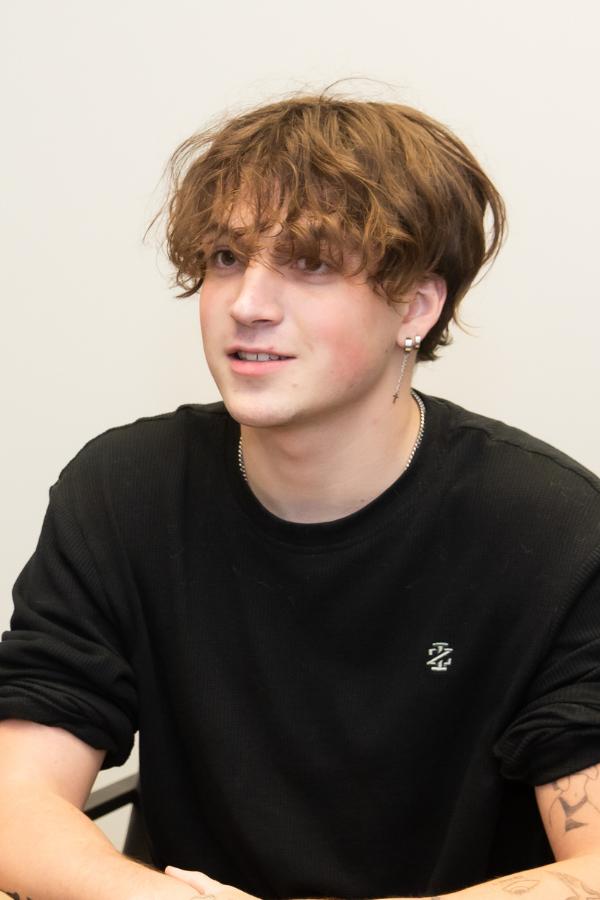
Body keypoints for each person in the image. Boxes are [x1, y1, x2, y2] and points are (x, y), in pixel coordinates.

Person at [1, 90, 600, 900]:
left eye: (310, 264)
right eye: (225, 258)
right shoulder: (124, 491)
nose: (247, 305)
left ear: (416, 306)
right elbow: (18, 802)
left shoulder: (555, 531)